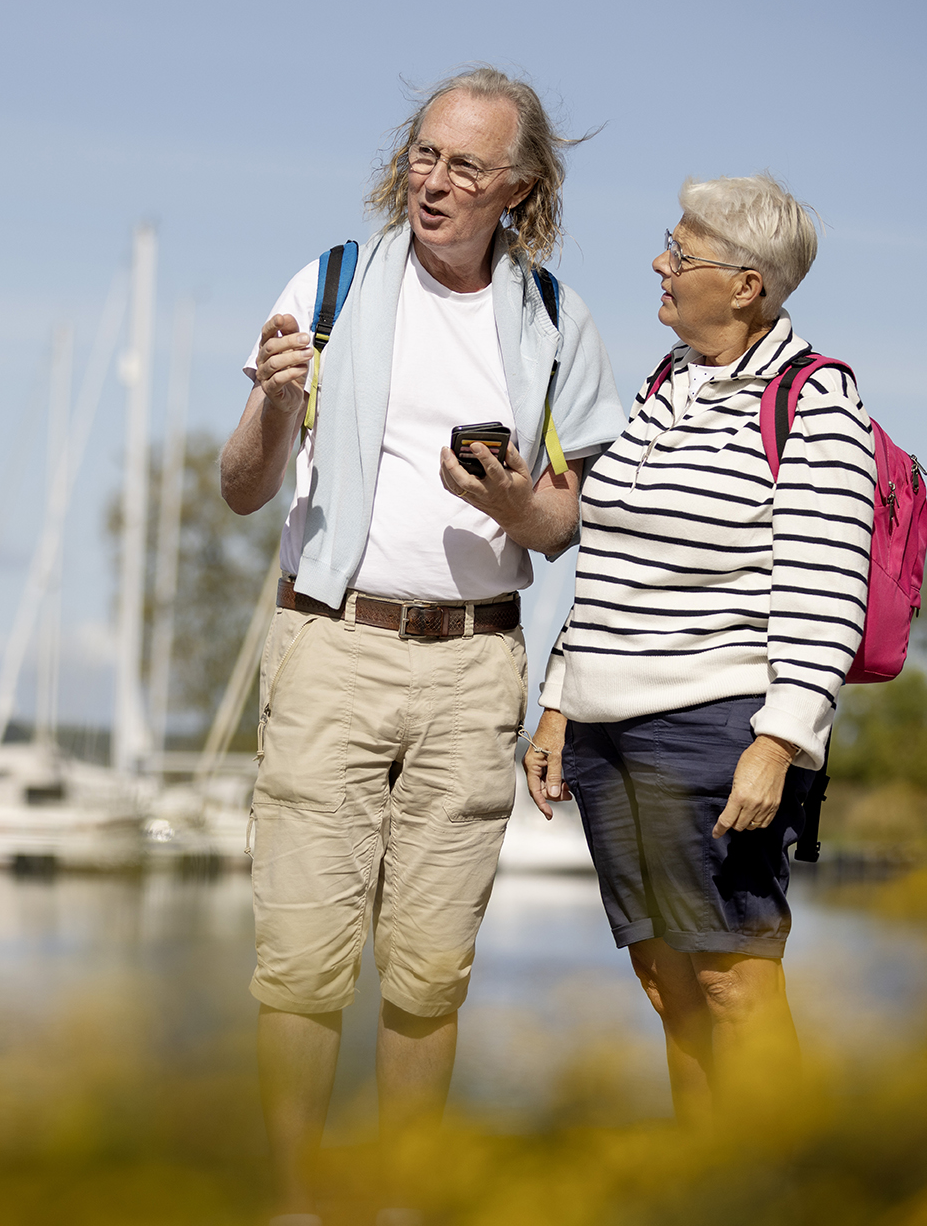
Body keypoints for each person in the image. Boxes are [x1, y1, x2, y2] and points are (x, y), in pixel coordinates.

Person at [221, 67, 626, 1226]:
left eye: (464, 166)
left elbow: (561, 523)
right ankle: (296, 1205)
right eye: (423, 156)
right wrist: (273, 405)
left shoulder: (555, 320)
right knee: (299, 965)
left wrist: (509, 503)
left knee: (428, 972)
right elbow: (243, 492)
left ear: (519, 188)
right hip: (330, 645)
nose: (434, 182)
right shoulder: (330, 284)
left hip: (472, 665)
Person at [524, 173, 876, 1120]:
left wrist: (783, 738)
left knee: (734, 983)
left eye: (681, 251)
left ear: (748, 284)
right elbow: (605, 563)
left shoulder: (816, 403)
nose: (660, 264)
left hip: (717, 728)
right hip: (607, 731)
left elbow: (828, 588)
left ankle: (789, 1193)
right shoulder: (663, 384)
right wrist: (560, 696)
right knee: (668, 985)